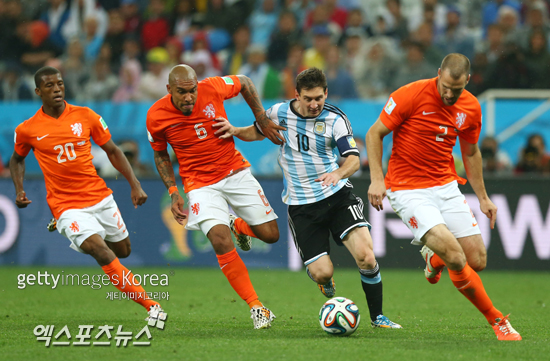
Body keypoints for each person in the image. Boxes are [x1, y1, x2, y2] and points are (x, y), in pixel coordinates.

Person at [213, 67, 402, 329]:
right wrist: (234, 130)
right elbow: (257, 132)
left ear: (326, 93)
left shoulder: (336, 119)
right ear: (297, 95)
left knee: (366, 257)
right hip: (301, 207)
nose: (314, 105)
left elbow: (353, 160)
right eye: (308, 99)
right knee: (323, 272)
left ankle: (378, 317)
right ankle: (323, 281)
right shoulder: (279, 113)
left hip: (337, 197)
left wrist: (338, 173)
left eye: (319, 98)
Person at [365, 53, 521, 341]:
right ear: (438, 73)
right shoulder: (410, 94)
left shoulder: (471, 107)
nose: (449, 94)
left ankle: (432, 259)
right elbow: (374, 133)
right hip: (407, 188)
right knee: (455, 256)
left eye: (456, 89)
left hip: (445, 185)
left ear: (468, 82)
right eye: (445, 86)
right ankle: (497, 320)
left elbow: (471, 152)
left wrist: (483, 198)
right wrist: (377, 179)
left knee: (477, 260)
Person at [9, 66, 167, 326]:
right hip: (65, 204)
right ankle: (151, 305)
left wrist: (135, 184)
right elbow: (16, 160)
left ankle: (76, 235)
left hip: (99, 197)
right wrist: (19, 189)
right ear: (38, 91)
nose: (57, 88)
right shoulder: (28, 129)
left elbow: (114, 151)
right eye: (49, 85)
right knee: (100, 251)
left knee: (123, 251)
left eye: (59, 83)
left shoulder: (86, 116)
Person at [145, 64, 282, 329]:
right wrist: (173, 191)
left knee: (270, 234)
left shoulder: (212, 87)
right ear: (168, 89)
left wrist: (262, 118)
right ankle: (257, 307)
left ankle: (237, 225)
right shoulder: (156, 116)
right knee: (219, 241)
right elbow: (160, 153)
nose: (189, 97)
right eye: (182, 92)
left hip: (234, 171)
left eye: (192, 91)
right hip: (199, 185)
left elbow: (244, 81)